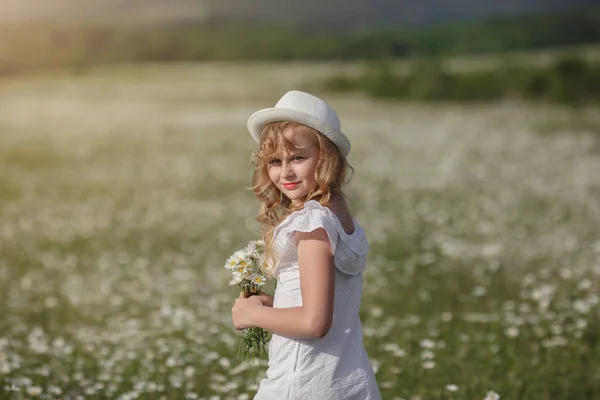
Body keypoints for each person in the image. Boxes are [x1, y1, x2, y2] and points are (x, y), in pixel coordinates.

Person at [231, 90, 381, 400]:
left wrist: (249, 314)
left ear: (326, 158)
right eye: (274, 161)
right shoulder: (341, 219)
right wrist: (272, 305)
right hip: (347, 381)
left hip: (303, 384)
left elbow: (315, 323)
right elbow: (327, 306)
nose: (285, 172)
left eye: (298, 158)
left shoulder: (312, 224)